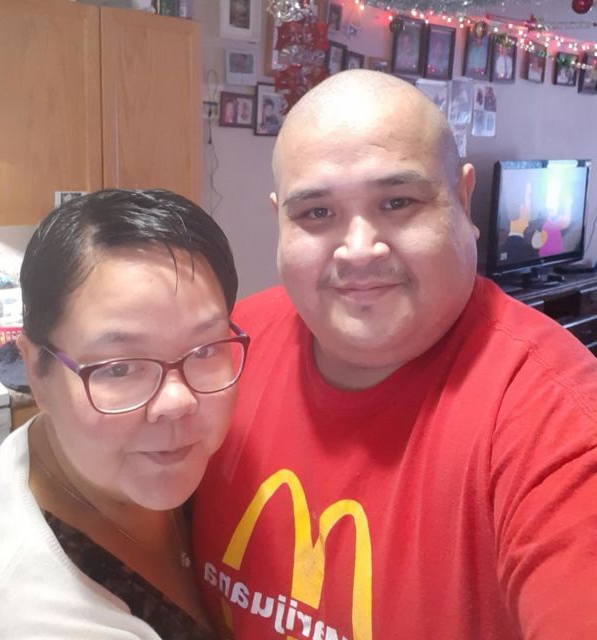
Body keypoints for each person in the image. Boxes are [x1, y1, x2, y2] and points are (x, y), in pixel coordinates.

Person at [192, 70, 597, 640]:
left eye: (398, 202)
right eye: (316, 213)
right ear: (279, 218)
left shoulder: (558, 423)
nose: (358, 251)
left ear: (462, 200)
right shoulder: (226, 350)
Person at [0, 189, 249, 639]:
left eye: (206, 349)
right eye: (119, 367)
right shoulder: (27, 618)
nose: (178, 401)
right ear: (37, 371)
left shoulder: (101, 460)